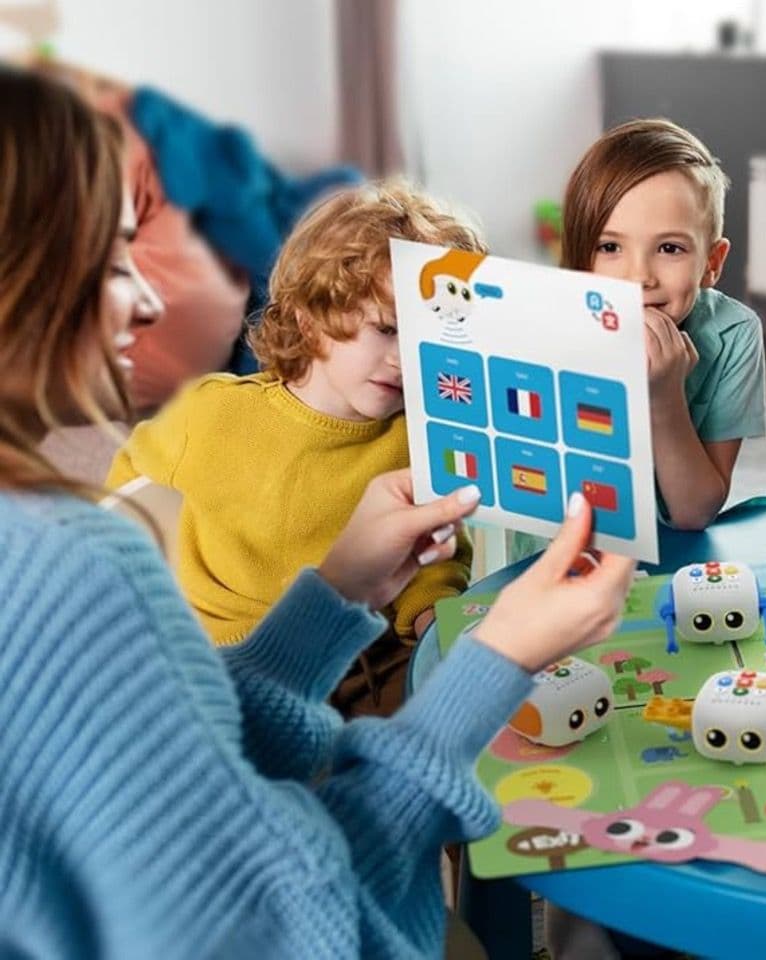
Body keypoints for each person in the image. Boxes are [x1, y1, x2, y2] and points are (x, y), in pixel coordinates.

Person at [0, 67, 636, 958]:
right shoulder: (82, 565)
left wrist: (337, 590)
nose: (147, 300)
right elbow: (298, 922)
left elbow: (184, 765)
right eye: (113, 262)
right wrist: (497, 660)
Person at [107, 181, 480, 716]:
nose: (405, 359)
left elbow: (434, 556)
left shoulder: (418, 437)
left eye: (427, 342)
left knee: (471, 722)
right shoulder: (211, 413)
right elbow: (122, 501)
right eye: (385, 329)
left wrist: (434, 619)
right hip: (232, 661)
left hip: (370, 658)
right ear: (309, 317)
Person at [561, 118, 766, 530]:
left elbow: (695, 512)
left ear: (712, 264)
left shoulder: (735, 333)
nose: (639, 276)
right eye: (610, 246)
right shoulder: (553, 322)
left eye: (670, 248)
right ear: (581, 258)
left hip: (668, 551)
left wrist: (664, 397)